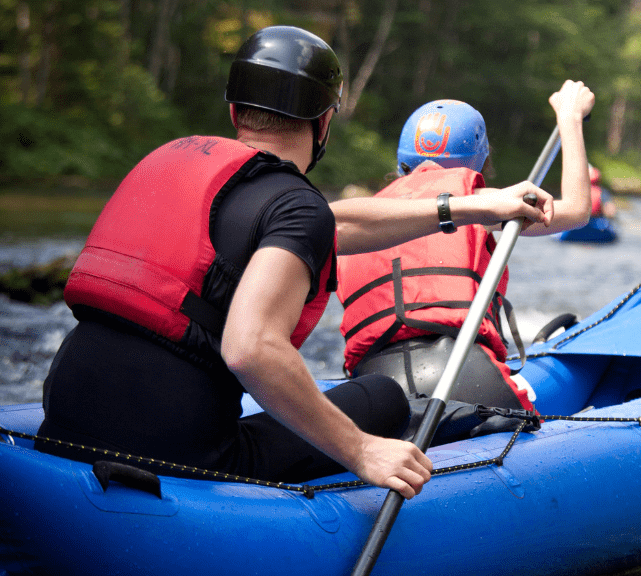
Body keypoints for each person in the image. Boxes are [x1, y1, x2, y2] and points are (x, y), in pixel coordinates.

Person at [36, 26, 553, 498]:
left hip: (62, 417)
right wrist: (360, 450)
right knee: (383, 396)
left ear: (237, 112)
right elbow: (251, 347)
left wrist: (469, 208)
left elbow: (333, 224)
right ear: (323, 121)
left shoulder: (175, 164)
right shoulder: (292, 207)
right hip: (182, 455)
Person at [335, 81, 595, 413]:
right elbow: (576, 210)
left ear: (402, 162)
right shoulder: (478, 203)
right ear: (479, 161)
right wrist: (569, 118)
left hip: (373, 386)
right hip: (465, 374)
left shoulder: (365, 220)